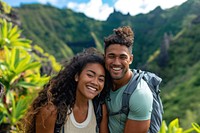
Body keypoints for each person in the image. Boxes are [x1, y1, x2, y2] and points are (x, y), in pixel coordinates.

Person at [19, 47, 111, 133]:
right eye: (90, 75)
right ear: (77, 76)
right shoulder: (51, 111)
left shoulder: (99, 109)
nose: (95, 82)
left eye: (101, 79)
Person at [104, 26, 153, 133]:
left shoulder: (140, 95)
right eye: (111, 56)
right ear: (105, 58)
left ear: (130, 59)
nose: (116, 62)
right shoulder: (100, 80)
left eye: (122, 57)